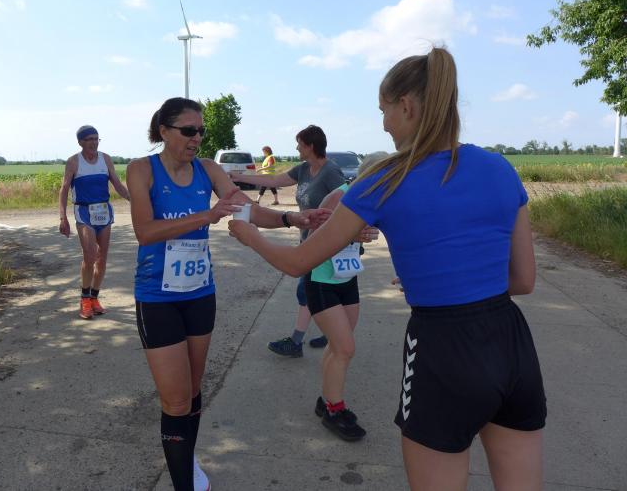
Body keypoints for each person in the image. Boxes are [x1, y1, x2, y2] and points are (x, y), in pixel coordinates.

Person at [229, 47, 546, 490]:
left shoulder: (384, 178)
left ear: (407, 106)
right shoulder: (499, 167)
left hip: (443, 346)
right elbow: (524, 280)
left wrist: (250, 235)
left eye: (383, 111)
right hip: (512, 343)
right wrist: (449, 281)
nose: (383, 124)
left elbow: (298, 261)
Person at [127, 98, 328, 491]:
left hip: (200, 293)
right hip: (157, 297)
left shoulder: (208, 169)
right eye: (189, 130)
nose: (197, 138)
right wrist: (207, 215)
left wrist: (292, 218)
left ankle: (186, 455)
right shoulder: (142, 170)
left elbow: (245, 209)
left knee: (193, 390)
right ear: (164, 131)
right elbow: (145, 231)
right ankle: (183, 481)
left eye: (201, 131)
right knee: (176, 400)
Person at [231, 125, 346, 357]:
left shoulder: (331, 171)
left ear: (311, 146)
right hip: (307, 239)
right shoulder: (303, 169)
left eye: (299, 144)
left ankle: (297, 341)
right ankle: (332, 331)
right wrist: (238, 177)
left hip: (325, 243)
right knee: (320, 290)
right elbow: (275, 180)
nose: (296, 148)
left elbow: (346, 204)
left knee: (308, 291)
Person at [308, 153, 386, 442]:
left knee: (338, 346)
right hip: (321, 279)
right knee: (345, 348)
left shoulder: (372, 197)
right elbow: (314, 234)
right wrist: (353, 236)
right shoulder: (340, 195)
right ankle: (334, 410)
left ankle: (326, 399)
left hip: (347, 277)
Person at [59, 125, 130, 319]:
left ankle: (94, 298)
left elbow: (117, 184)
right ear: (80, 142)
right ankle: (84, 300)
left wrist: (134, 200)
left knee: (102, 258)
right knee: (90, 256)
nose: (94, 142)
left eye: (96, 138)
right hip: (84, 211)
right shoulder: (74, 162)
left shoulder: (105, 159)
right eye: (89, 139)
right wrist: (63, 217)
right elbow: (64, 190)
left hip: (104, 211)